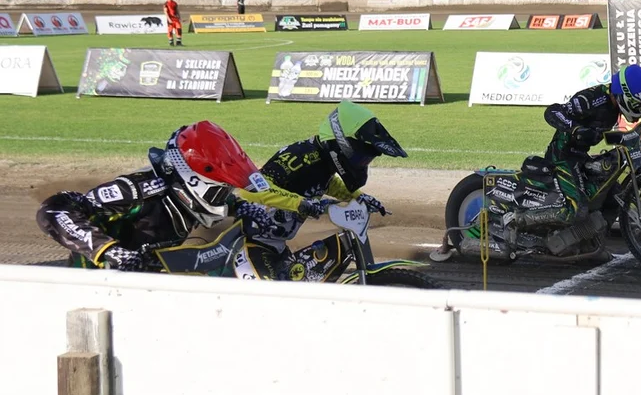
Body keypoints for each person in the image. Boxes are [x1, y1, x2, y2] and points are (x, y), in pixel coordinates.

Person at [34, 121, 316, 271]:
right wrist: (108, 250)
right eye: (220, 190)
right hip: (94, 286)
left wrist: (244, 209)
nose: (225, 196)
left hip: (151, 283)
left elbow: (221, 203)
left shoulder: (190, 197)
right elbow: (56, 209)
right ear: (191, 180)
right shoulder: (138, 191)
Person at [230, 100, 407, 280]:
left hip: (276, 247)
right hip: (249, 247)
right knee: (273, 300)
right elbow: (251, 189)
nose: (362, 164)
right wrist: (300, 203)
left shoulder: (323, 162)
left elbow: (326, 184)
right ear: (341, 143)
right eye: (361, 158)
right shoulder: (300, 156)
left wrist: (359, 197)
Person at [504, 63, 641, 230]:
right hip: (563, 157)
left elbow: (615, 125)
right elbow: (553, 112)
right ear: (625, 96)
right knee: (575, 210)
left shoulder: (615, 102)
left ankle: (593, 242)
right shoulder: (591, 100)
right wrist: (576, 129)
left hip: (582, 156)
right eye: (636, 104)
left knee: (616, 197)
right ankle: (515, 219)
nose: (637, 109)